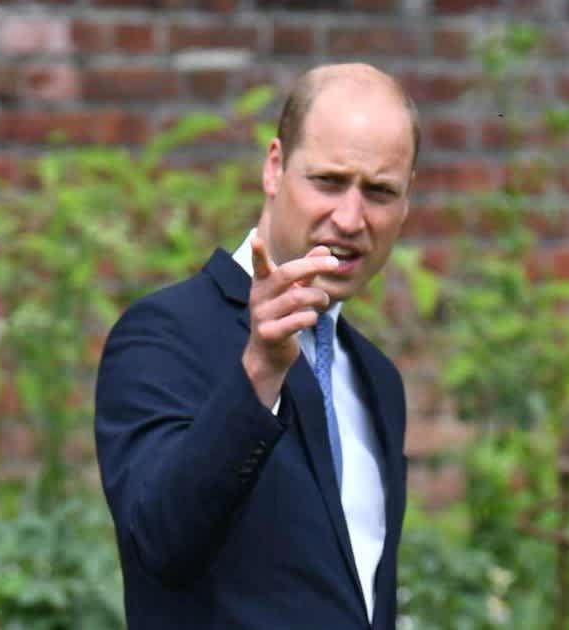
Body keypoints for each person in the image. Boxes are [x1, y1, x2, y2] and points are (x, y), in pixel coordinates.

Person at [94, 63, 418, 629]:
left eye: (380, 191)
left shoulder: (376, 378)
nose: (350, 217)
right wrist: (257, 376)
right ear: (275, 168)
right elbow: (157, 544)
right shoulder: (162, 334)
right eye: (329, 181)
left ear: (406, 203)